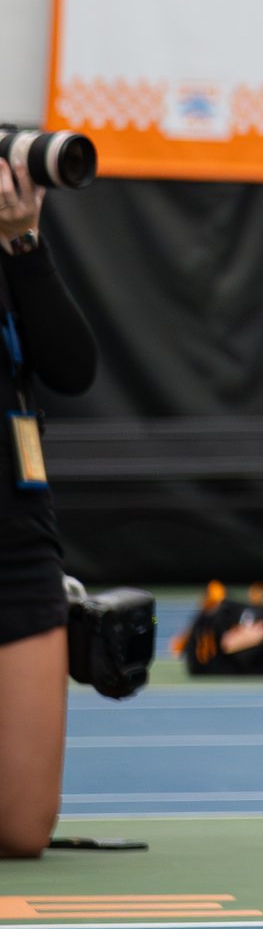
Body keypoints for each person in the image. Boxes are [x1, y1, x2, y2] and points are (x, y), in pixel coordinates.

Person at [0, 158, 99, 860]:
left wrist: (24, 237)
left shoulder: (9, 247)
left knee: (21, 829)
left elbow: (71, 367)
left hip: (15, 539)